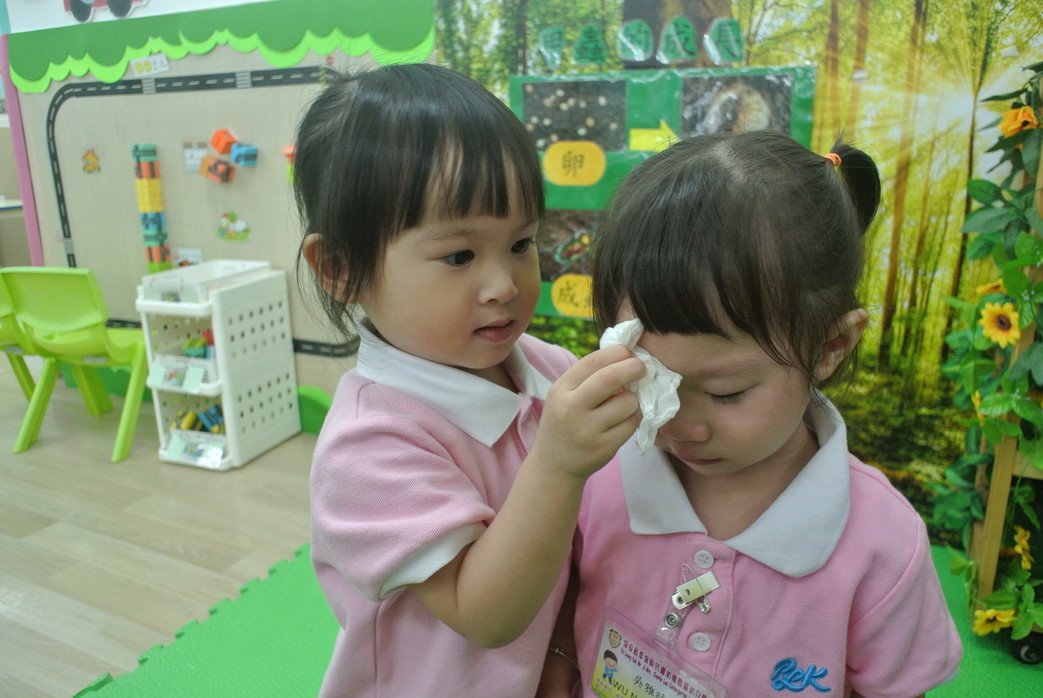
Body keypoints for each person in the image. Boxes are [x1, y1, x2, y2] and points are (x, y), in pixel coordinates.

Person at [541, 131, 962, 697]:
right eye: (653, 382)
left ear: (830, 347)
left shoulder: (882, 543)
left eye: (727, 392)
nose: (680, 425)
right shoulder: (598, 478)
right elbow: (565, 600)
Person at [293, 63, 645, 697]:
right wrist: (559, 463)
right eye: (459, 255)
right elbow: (484, 615)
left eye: (521, 244)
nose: (504, 285)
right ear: (341, 269)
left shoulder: (544, 367)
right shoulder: (367, 448)